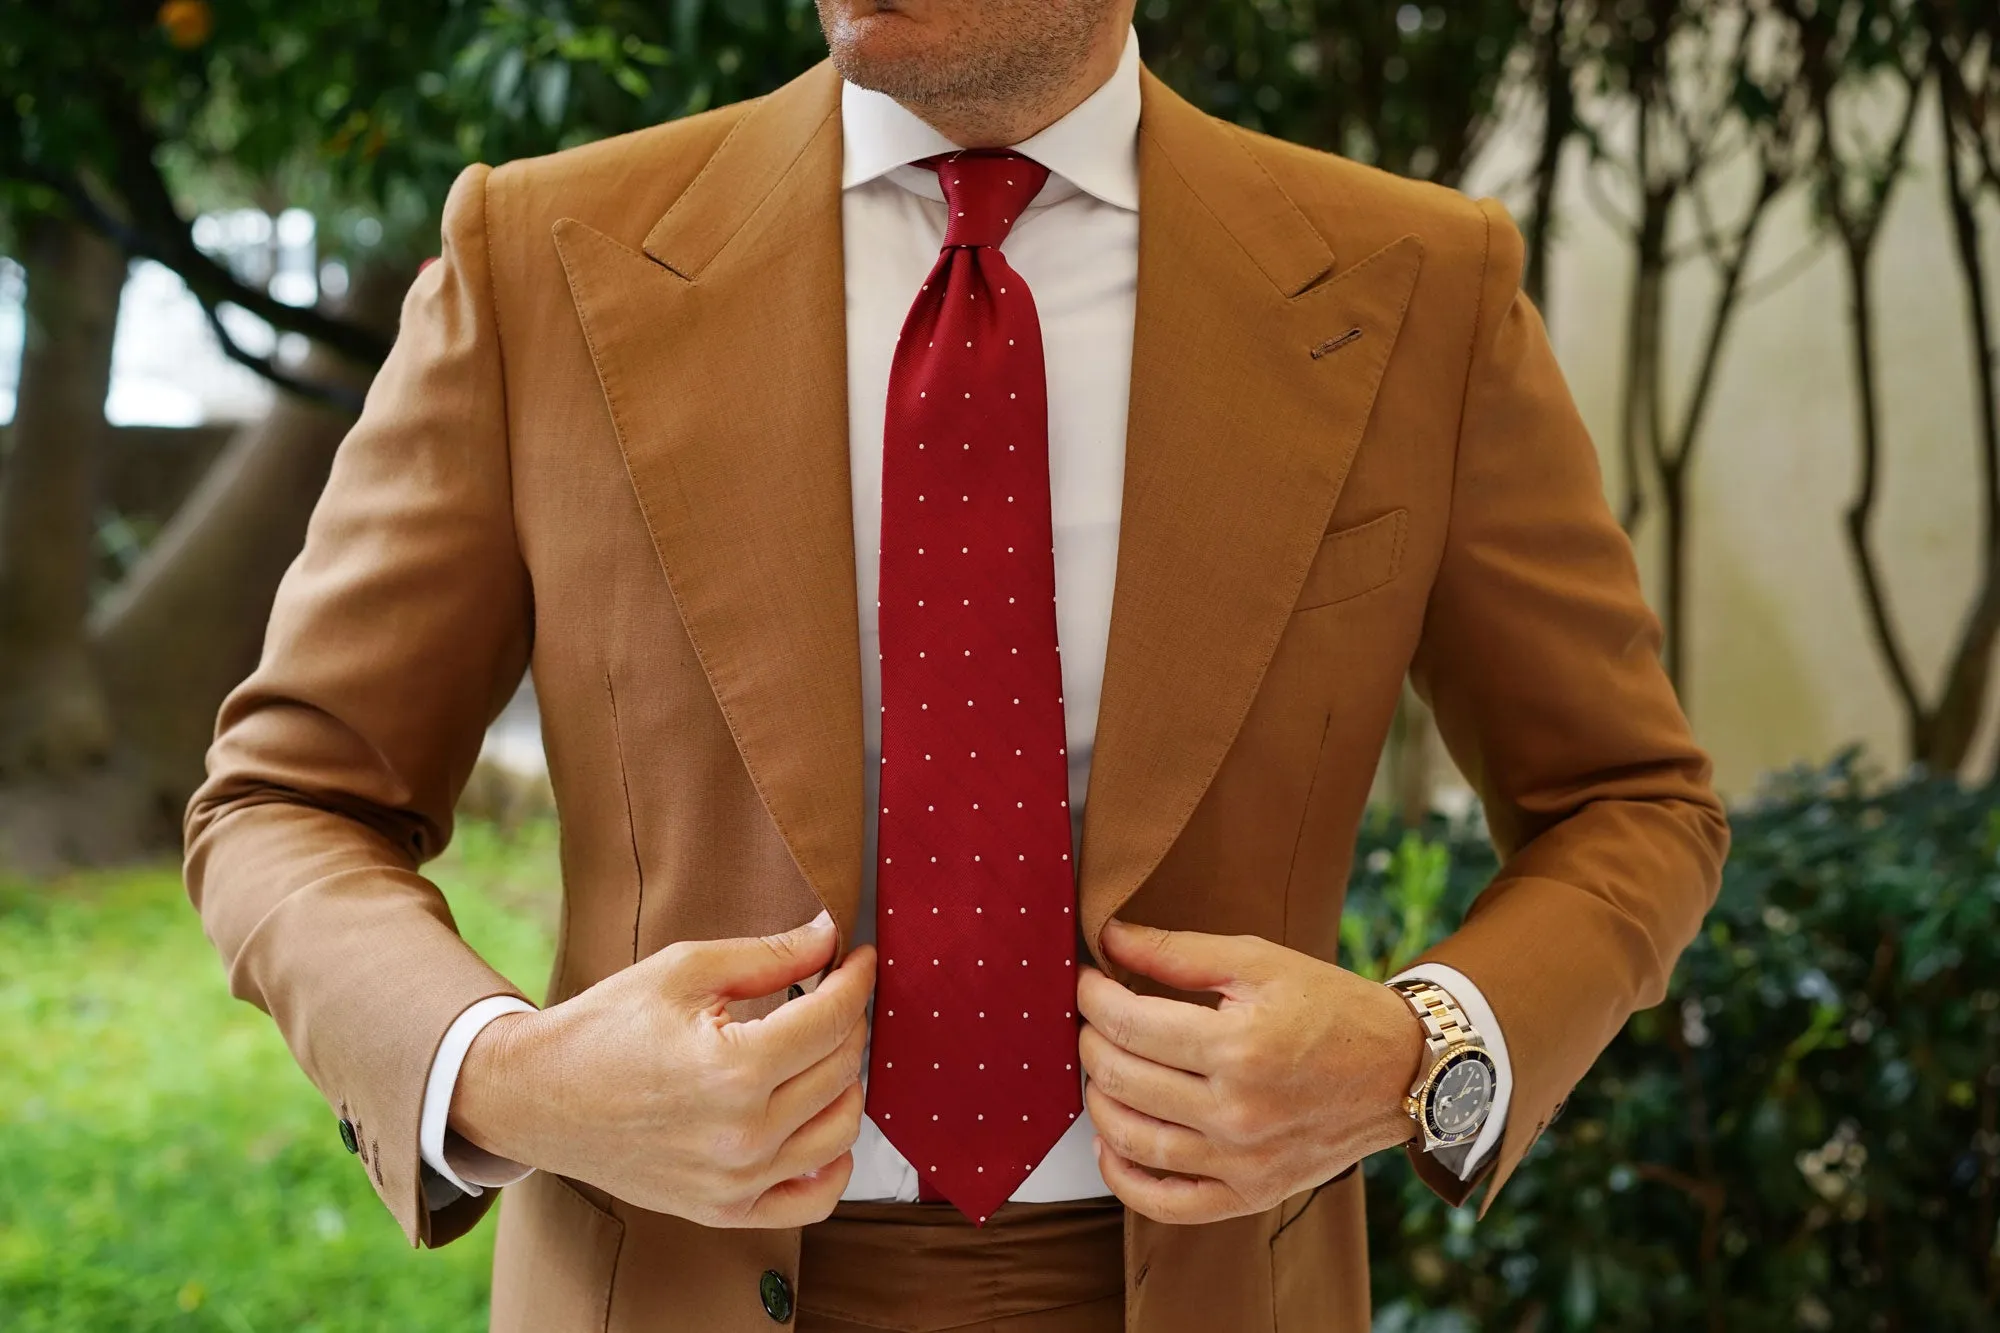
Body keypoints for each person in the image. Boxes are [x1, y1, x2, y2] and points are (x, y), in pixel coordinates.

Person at [182, 1, 1730, 1330]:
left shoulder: (1415, 284)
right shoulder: (538, 254)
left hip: (1211, 1289)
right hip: (661, 1283)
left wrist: (1417, 1051)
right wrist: (512, 1080)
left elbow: (1630, 803)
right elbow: (287, 803)